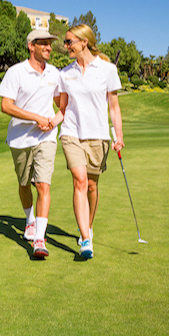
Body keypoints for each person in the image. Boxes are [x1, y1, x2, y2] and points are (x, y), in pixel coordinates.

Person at [58, 24, 124, 259]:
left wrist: (119, 137)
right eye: (66, 43)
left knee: (92, 186)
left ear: (83, 42)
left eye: (69, 42)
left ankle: (89, 225)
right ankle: (85, 240)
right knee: (80, 181)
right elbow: (63, 107)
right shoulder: (65, 73)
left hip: (99, 136)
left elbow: (114, 108)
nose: (66, 47)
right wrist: (49, 121)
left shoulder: (107, 70)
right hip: (71, 133)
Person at [0, 29, 64, 258]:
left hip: (46, 138)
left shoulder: (54, 73)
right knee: (24, 183)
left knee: (43, 185)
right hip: (20, 138)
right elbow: (6, 106)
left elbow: (60, 103)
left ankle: (39, 240)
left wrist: (53, 121)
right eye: (43, 44)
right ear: (31, 46)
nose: (48, 48)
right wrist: (36, 117)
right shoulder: (16, 72)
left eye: (49, 44)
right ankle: (29, 220)